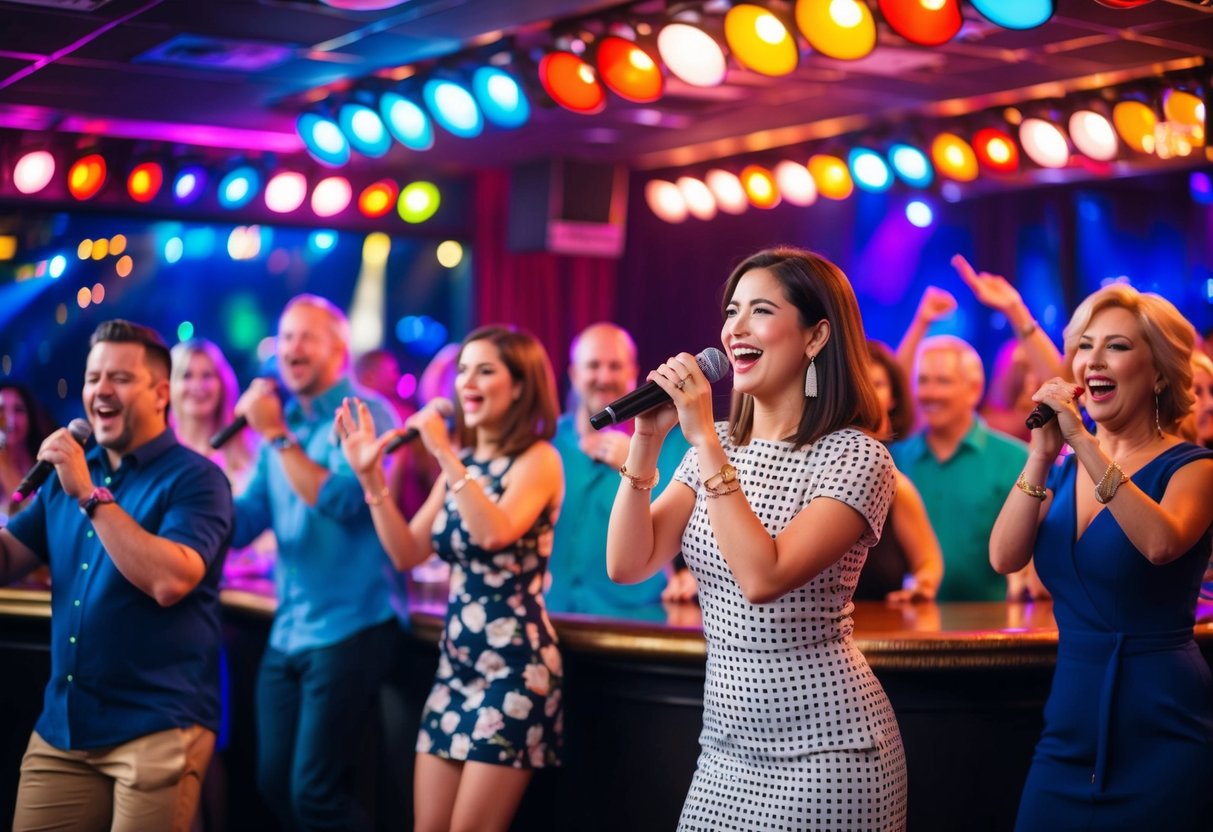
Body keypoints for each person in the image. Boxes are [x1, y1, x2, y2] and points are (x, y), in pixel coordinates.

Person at [607, 247, 906, 830]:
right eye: (731, 310)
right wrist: (646, 439)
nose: (734, 329)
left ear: (816, 336)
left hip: (830, 751)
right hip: (725, 750)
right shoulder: (715, 445)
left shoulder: (857, 457)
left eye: (760, 311)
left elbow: (762, 577)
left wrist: (706, 445)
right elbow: (628, 563)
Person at [989, 283, 1213, 831]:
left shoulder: (1194, 467)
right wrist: (1043, 456)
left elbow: (1160, 543)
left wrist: (1084, 442)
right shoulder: (1063, 470)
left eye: (1116, 346)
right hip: (1069, 725)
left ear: (1158, 372)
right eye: (1085, 345)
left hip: (1163, 724)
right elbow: (1004, 556)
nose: (1093, 360)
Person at [0, 319, 233, 831]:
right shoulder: (65, 480)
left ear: (160, 394)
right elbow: (7, 560)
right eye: (92, 377)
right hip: (62, 729)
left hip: (157, 727)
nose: (100, 390)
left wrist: (89, 495)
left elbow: (170, 580)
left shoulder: (197, 479)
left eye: (120, 378)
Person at [333, 325, 564, 832]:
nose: (467, 382)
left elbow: (496, 532)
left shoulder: (539, 459)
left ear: (521, 385)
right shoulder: (465, 464)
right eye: (463, 370)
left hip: (514, 670)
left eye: (485, 370)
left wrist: (444, 452)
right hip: (456, 666)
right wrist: (371, 477)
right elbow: (406, 552)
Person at [230, 294, 402, 832]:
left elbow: (344, 502)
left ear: (339, 350)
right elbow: (245, 519)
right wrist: (186, 492)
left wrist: (275, 435)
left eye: (306, 337)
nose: (291, 348)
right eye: (284, 337)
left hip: (351, 625)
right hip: (289, 630)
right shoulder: (283, 431)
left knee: (315, 794)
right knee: (273, 784)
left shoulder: (368, 413)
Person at [546, 322, 695, 615]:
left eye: (615, 366)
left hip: (638, 618)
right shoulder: (549, 442)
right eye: (593, 365)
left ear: (632, 373)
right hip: (554, 615)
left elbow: (692, 528)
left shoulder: (675, 444)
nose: (604, 376)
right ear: (574, 375)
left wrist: (691, 575)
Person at [889, 334, 1036, 601]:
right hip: (908, 624)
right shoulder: (894, 460)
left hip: (994, 628)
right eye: (923, 381)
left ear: (974, 389)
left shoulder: (1015, 458)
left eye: (942, 381)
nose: (930, 392)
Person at [857, 341, 944, 603]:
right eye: (858, 382)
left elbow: (928, 561)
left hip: (882, 631)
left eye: (877, 384)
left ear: (894, 398)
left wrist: (920, 586)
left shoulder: (894, 483)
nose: (866, 393)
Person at [0, 381, 57, 525]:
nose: (9, 419)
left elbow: (35, 523)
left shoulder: (47, 468)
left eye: (18, 410)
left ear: (30, 417)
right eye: (1, 410)